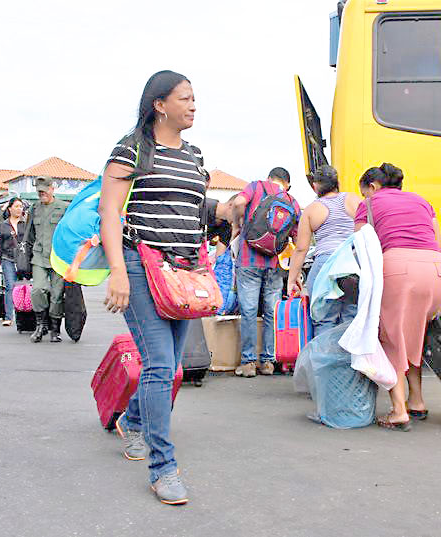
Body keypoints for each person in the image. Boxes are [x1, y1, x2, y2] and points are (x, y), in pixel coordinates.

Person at [99, 70, 228, 506]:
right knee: (160, 365)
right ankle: (163, 468)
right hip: (140, 265)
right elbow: (110, 213)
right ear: (160, 104)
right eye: (185, 98)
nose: (193, 106)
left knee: (170, 366)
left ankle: (133, 419)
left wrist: (224, 212)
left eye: (195, 99)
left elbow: (192, 212)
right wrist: (117, 271)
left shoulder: (194, 156)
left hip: (182, 273)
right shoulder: (132, 148)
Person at [355, 163, 441, 431]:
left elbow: (362, 248)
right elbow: (438, 243)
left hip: (399, 270)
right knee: (415, 336)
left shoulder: (370, 204)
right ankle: (416, 400)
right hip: (436, 271)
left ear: (372, 187)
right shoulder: (422, 202)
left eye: (364, 192)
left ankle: (398, 411)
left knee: (391, 339)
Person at [231, 167, 301, 377]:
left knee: (249, 311)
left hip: (248, 258)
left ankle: (248, 363)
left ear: (270, 178)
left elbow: (238, 203)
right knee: (272, 311)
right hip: (274, 263)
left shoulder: (256, 186)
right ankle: (268, 362)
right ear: (286, 183)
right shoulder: (292, 200)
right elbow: (297, 238)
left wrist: (238, 224)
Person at [287, 165, 361, 335]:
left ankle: (325, 361)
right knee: (351, 318)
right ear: (337, 183)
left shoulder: (313, 209)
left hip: (325, 265)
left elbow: (301, 249)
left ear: (315, 186)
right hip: (353, 263)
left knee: (324, 320)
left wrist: (292, 279)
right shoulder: (354, 200)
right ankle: (348, 361)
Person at [27, 177, 69, 343]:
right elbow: (29, 233)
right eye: (39, 191)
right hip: (39, 256)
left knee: (57, 295)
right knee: (37, 290)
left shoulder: (64, 207)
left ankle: (55, 329)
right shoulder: (34, 208)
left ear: (52, 188)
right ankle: (40, 325)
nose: (41, 193)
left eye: (44, 190)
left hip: (58, 257)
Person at [0, 197, 26, 326]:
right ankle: (8, 317)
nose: (19, 209)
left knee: (25, 287)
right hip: (8, 259)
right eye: (16, 206)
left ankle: (25, 315)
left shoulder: (26, 222)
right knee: (10, 287)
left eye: (21, 206)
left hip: (24, 259)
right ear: (10, 209)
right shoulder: (3, 225)